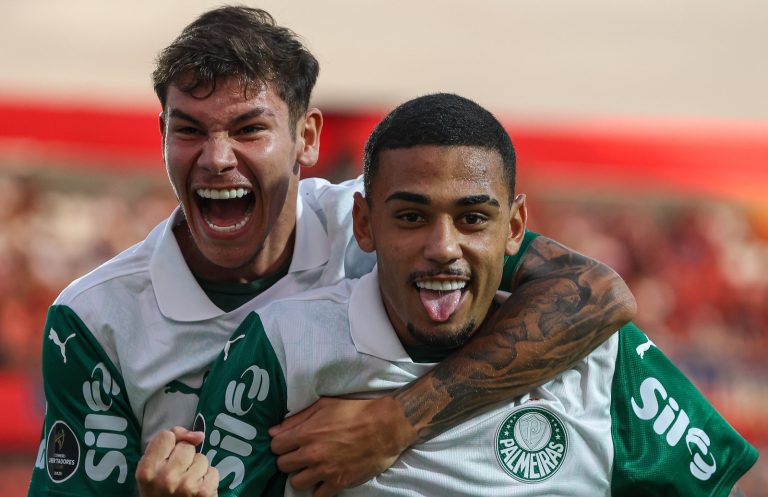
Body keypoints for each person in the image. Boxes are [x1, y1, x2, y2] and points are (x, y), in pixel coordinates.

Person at [26, 7, 636, 497]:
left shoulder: (389, 222)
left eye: (248, 129)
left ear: (307, 138)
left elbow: (595, 295)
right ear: (162, 137)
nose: (215, 157)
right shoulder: (95, 322)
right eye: (188, 129)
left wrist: (399, 421)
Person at [191, 92, 757, 497]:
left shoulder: (603, 357)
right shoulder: (280, 348)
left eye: (472, 219)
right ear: (364, 223)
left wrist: (398, 423)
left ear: (515, 229)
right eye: (411, 216)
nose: (443, 246)